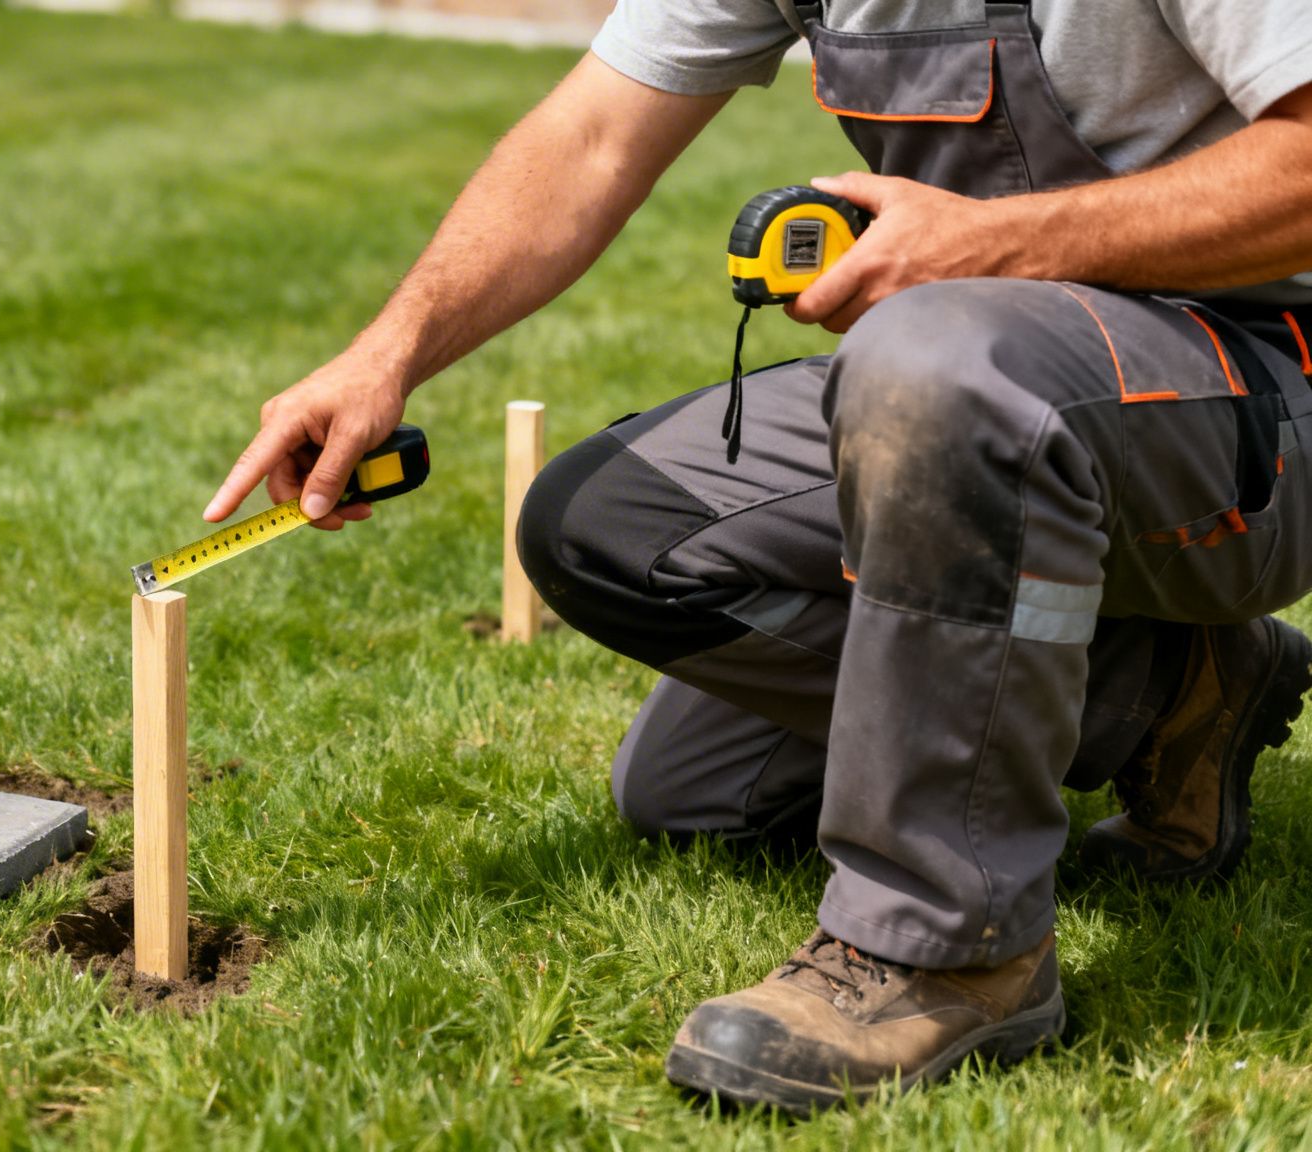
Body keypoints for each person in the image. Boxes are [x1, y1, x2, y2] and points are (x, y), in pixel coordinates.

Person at [203, 0, 1312, 1113]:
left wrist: (994, 244)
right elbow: (589, 136)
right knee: (625, 584)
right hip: (976, 371)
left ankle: (949, 948)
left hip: (1256, 392)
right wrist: (384, 354)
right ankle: (1167, 694)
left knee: (928, 363)